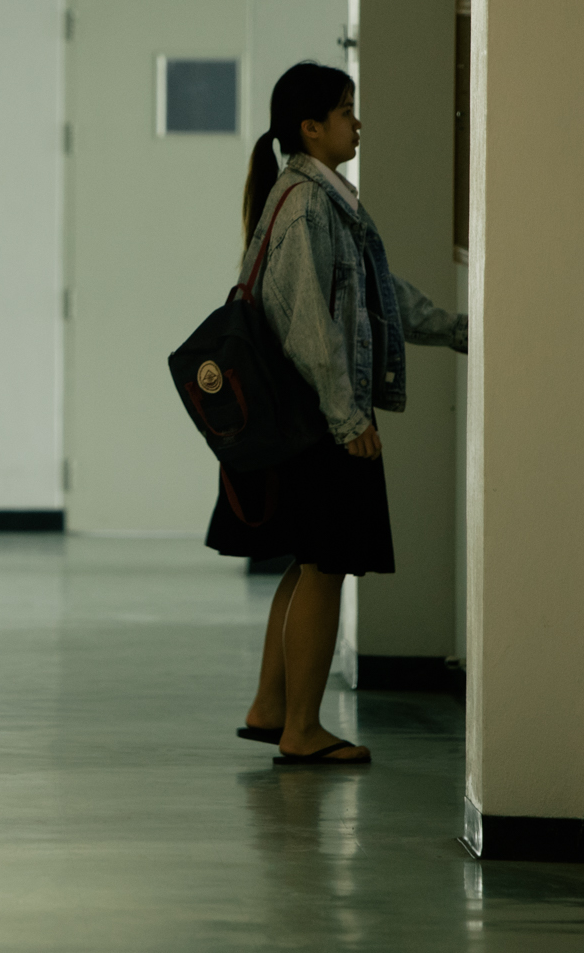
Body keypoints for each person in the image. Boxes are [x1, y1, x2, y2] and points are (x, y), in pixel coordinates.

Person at [208, 61, 467, 765]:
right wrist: (351, 420)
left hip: (305, 415)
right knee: (324, 568)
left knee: (305, 565)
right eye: (347, 111)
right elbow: (313, 331)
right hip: (319, 418)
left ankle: (270, 708)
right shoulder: (309, 205)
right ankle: (301, 729)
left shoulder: (318, 199)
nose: (358, 122)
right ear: (310, 127)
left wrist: (456, 328)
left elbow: (378, 298)